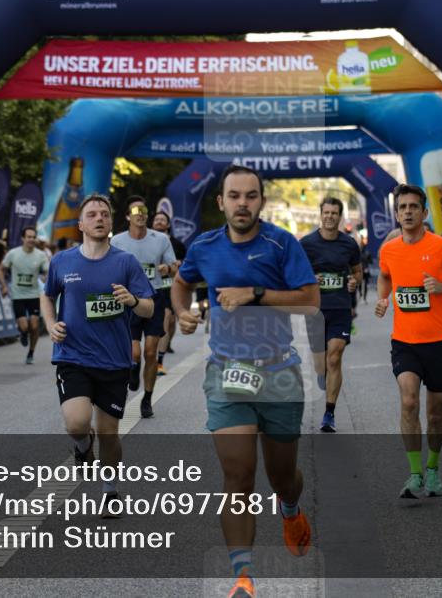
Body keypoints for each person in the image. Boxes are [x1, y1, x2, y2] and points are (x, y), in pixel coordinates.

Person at [171, 165, 319, 598]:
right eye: (234, 196)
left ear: (261, 202)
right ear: (221, 202)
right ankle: (243, 577)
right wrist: (182, 312)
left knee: (281, 477)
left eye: (250, 196)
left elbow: (310, 301)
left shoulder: (281, 244)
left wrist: (255, 293)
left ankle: (289, 507)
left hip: (278, 373)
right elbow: (181, 283)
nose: (242, 204)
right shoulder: (205, 246)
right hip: (227, 372)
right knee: (238, 475)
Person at [40, 194, 153, 510]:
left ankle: (110, 491)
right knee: (76, 423)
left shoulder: (125, 262)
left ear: (111, 222)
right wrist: (50, 324)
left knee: (108, 433)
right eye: (91, 214)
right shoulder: (62, 262)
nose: (99, 218)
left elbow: (148, 308)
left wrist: (132, 301)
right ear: (80, 224)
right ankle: (82, 444)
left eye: (104, 213)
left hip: (114, 360)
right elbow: (47, 296)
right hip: (72, 356)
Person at [374, 185, 442, 499]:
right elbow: (385, 276)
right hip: (404, 341)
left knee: (435, 413)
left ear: (424, 212)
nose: (407, 212)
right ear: (397, 214)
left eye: (413, 207)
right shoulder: (389, 249)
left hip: (439, 342)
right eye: (402, 207)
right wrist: (383, 299)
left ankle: (432, 468)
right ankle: (414, 473)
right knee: (408, 401)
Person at [110, 196, 177, 418]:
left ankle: (147, 398)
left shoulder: (161, 239)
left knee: (150, 351)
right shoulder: (117, 241)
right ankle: (133, 367)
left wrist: (167, 269)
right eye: (135, 211)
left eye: (143, 210)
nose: (140, 214)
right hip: (129, 299)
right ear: (128, 216)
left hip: (154, 296)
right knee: (135, 352)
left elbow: (173, 266)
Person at [300, 198, 362, 432]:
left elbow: (357, 272)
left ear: (340, 216)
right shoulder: (306, 244)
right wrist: (309, 279)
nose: (330, 216)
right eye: (326, 212)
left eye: (334, 213)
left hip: (340, 307)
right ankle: (321, 372)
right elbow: (294, 273)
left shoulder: (349, 244)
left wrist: (354, 282)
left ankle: (329, 413)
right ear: (320, 214)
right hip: (314, 310)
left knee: (334, 357)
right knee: (322, 363)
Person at [0, 227, 49, 365]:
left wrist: (46, 277)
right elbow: (1, 269)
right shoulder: (13, 253)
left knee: (34, 326)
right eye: (28, 237)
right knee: (24, 326)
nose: (31, 240)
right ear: (23, 238)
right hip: (18, 295)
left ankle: (31, 353)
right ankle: (22, 332)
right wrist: (4, 285)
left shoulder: (40, 255)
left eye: (33, 237)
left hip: (34, 294)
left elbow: (48, 271)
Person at [151, 210, 187, 376]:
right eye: (156, 219)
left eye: (162, 219)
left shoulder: (177, 245)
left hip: (169, 286)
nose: (159, 222)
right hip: (150, 287)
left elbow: (186, 264)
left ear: (167, 224)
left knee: (169, 320)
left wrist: (178, 264)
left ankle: (159, 361)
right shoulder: (145, 242)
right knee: (162, 321)